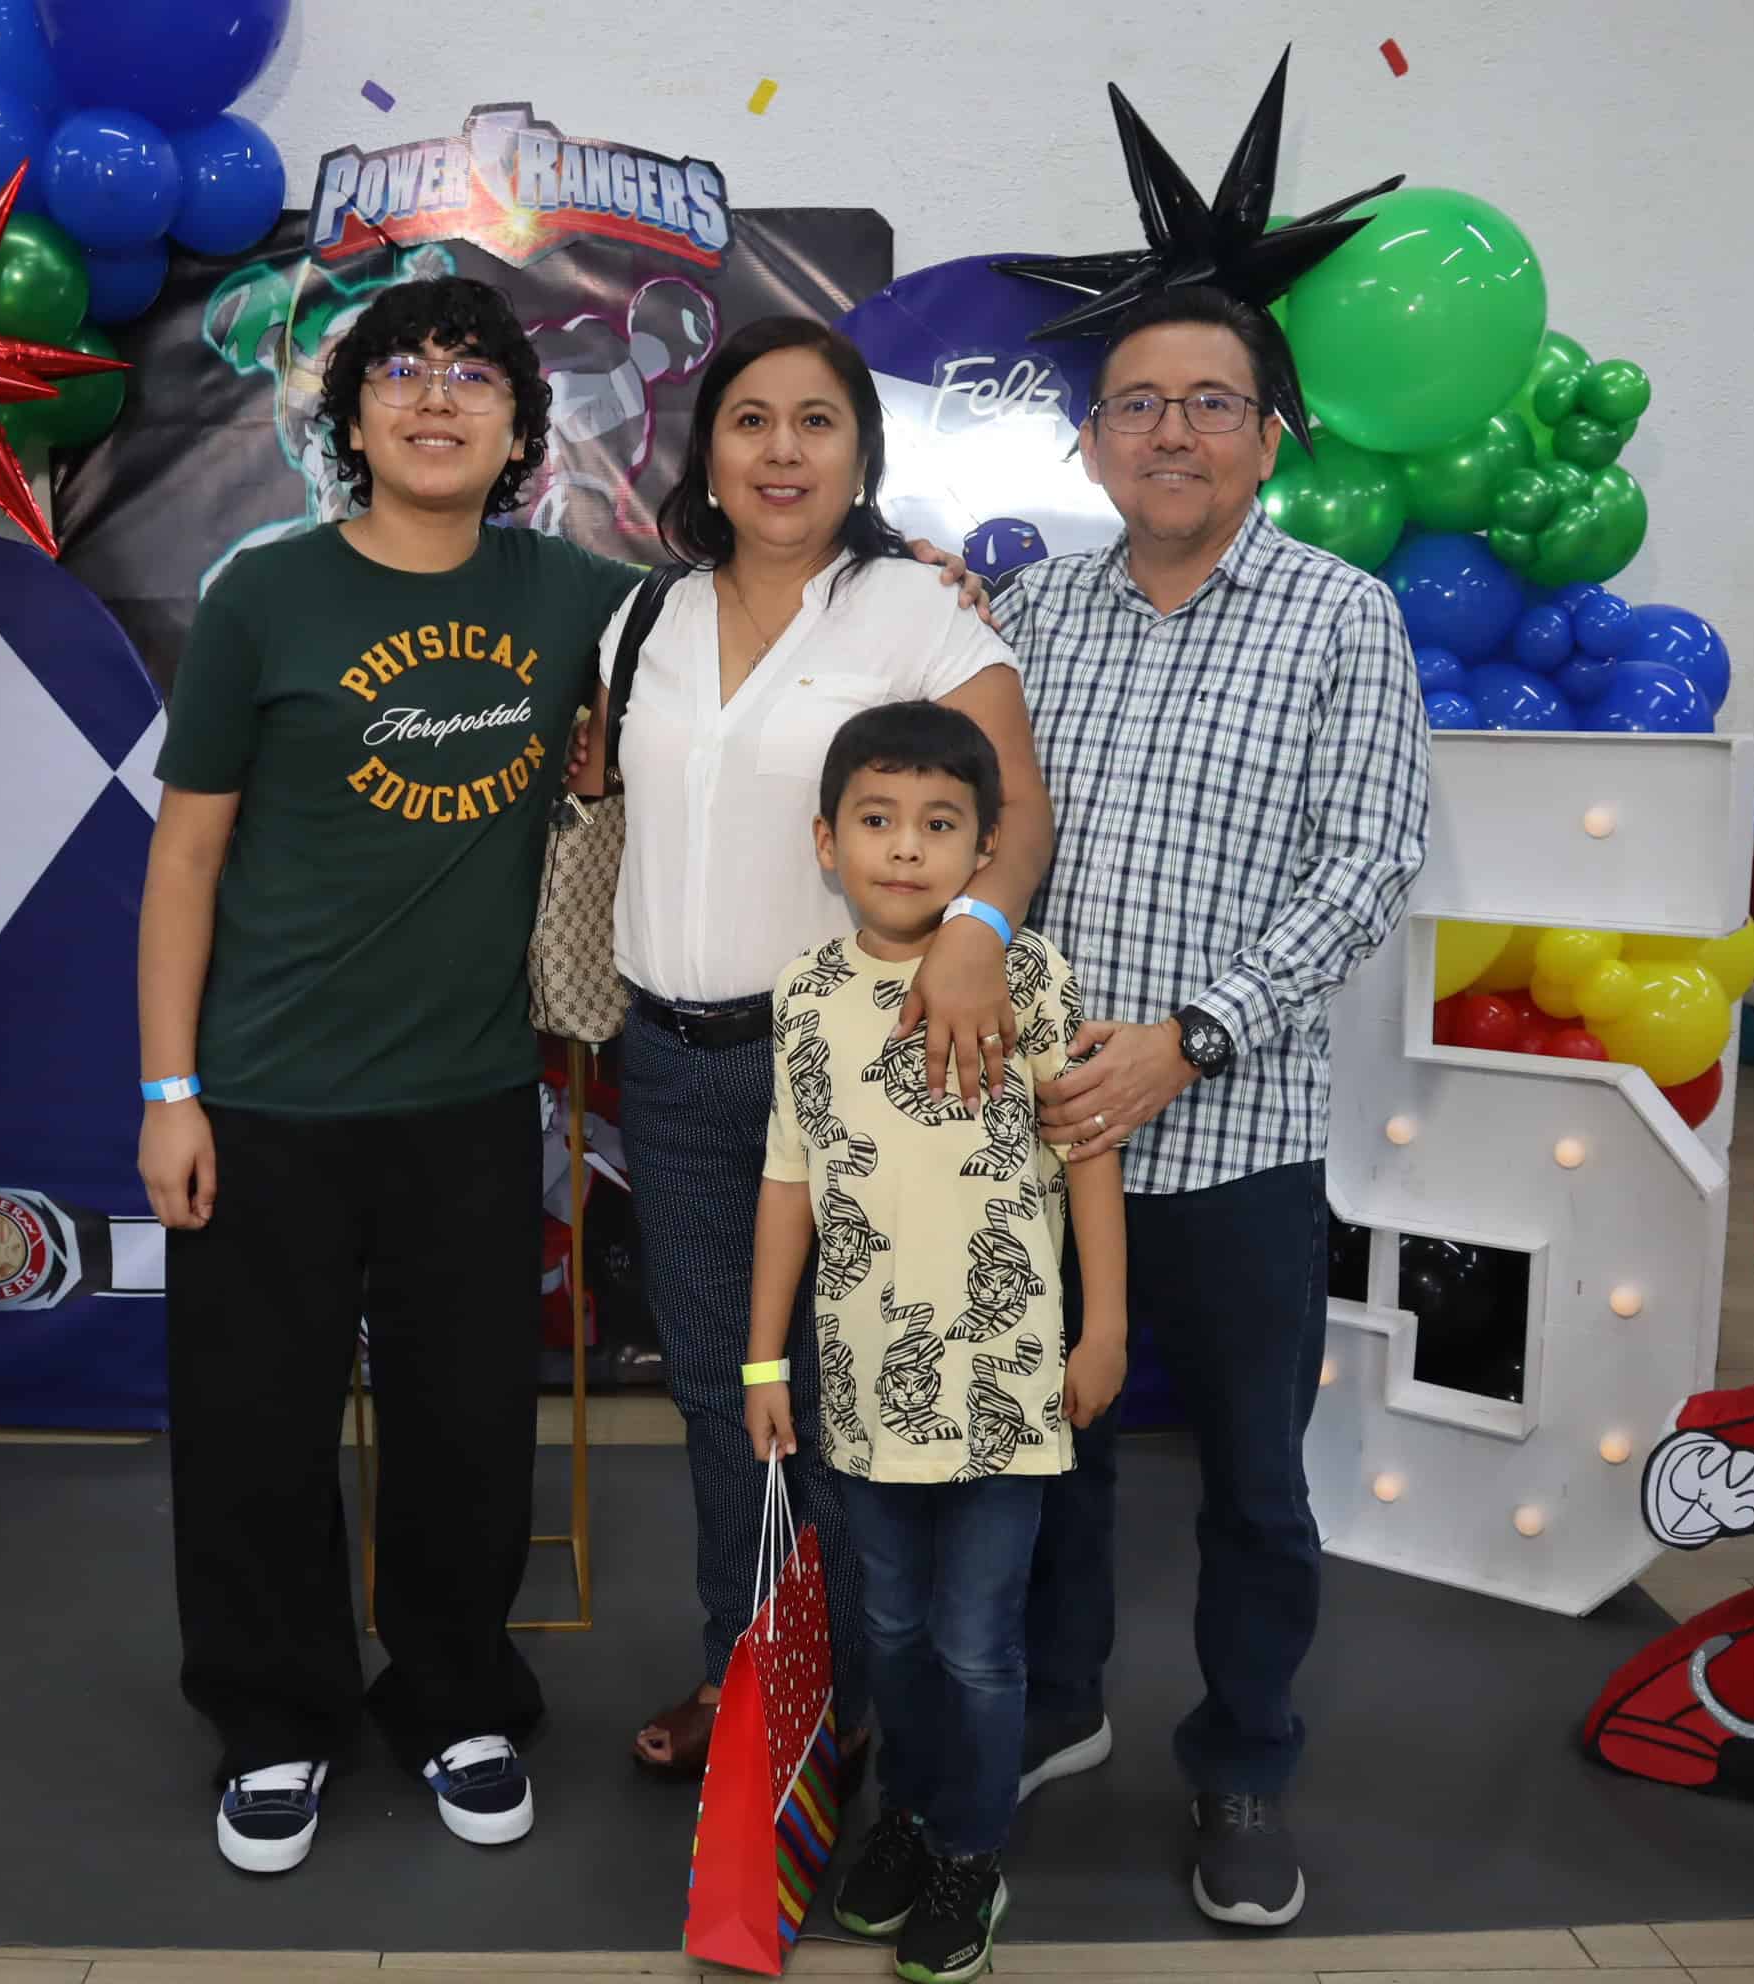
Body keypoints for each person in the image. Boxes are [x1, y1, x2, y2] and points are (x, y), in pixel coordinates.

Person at [138, 275, 646, 1875]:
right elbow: (185, 857)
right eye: (403, 371)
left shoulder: (582, 598)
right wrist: (168, 1093)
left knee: (466, 1429)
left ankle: (455, 1699)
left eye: (475, 375)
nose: (437, 397)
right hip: (263, 1098)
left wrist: (916, 576)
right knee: (253, 1435)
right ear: (350, 418)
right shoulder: (265, 597)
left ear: (520, 428)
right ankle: (273, 1720)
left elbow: (758, 623)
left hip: (470, 1100)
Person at [997, 284, 1430, 1928]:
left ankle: (1244, 1760)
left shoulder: (1341, 616)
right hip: (1048, 1133)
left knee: (1255, 1481)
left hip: (1238, 1137)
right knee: (1050, 1448)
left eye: (1209, 402)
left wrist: (1192, 1037)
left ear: (1267, 436)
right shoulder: (1035, 615)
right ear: (1090, 438)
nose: (1170, 431)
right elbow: (986, 835)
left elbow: (1369, 858)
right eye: (1137, 402)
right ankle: (1058, 1699)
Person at [581, 317, 1056, 1781]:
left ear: (862, 453)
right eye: (750, 419)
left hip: (862, 1064)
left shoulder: (916, 611)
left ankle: (863, 1700)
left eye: (816, 420)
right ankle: (752, 1681)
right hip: (672, 1062)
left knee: (860, 1392)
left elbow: (1017, 815)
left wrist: (975, 933)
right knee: (726, 1393)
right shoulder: (643, 620)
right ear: (707, 450)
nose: (781, 449)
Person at [746, 700, 1126, 1984]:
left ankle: (972, 1848)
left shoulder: (1031, 978)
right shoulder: (804, 996)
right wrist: (762, 1359)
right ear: (827, 840)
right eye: (877, 819)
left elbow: (1088, 1157)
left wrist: (1106, 1326)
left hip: (1007, 1384)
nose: (906, 846)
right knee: (896, 1631)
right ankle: (906, 1817)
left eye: (939, 823)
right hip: (864, 1390)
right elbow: (788, 1181)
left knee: (978, 1641)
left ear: (984, 847)